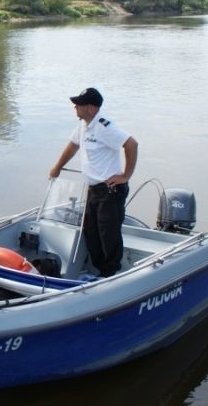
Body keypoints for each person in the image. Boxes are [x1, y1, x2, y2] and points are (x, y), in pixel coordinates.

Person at [49, 87, 138, 277]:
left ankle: (111, 274)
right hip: (93, 190)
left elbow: (131, 144)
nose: (75, 108)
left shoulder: (104, 127)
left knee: (108, 235)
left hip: (110, 190)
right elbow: (73, 145)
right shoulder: (83, 125)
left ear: (90, 108)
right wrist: (57, 166)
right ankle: (100, 270)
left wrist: (126, 175)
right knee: (90, 231)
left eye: (78, 105)